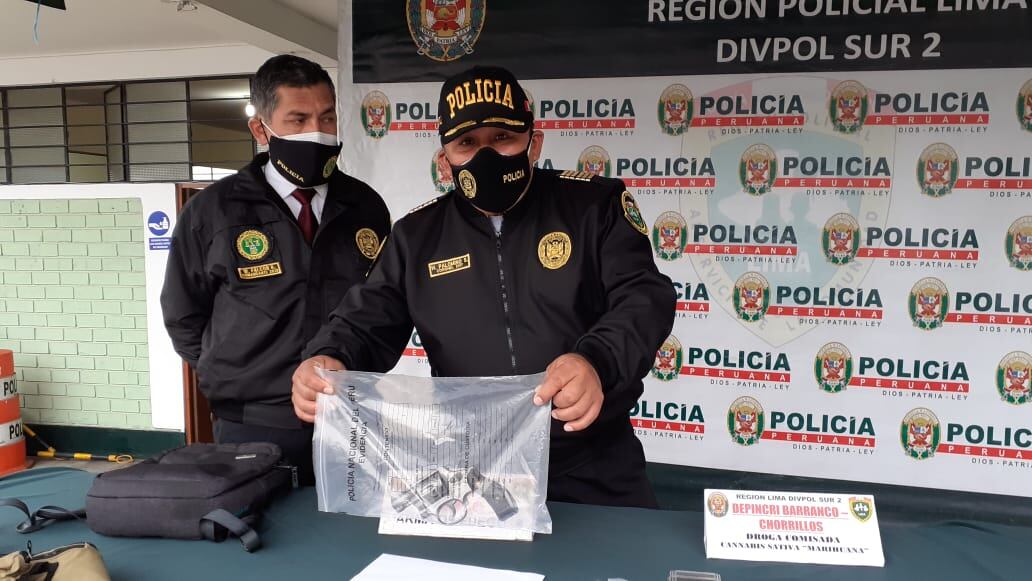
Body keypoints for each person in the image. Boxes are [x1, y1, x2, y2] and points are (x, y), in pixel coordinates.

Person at [292, 66, 675, 507]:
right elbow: (366, 319)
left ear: (535, 144)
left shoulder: (594, 206)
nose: (486, 156)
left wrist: (597, 361)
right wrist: (330, 357)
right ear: (444, 160)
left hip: (592, 459)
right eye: (467, 144)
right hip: (473, 469)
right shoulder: (417, 236)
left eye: (502, 138)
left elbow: (643, 297)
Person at [161, 55, 390, 484]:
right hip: (252, 424)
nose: (316, 132)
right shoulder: (214, 211)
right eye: (298, 119)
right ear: (261, 129)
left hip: (350, 416)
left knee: (346, 543)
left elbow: (382, 307)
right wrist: (236, 373)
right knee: (256, 537)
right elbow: (183, 314)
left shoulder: (365, 207)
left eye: (326, 118)